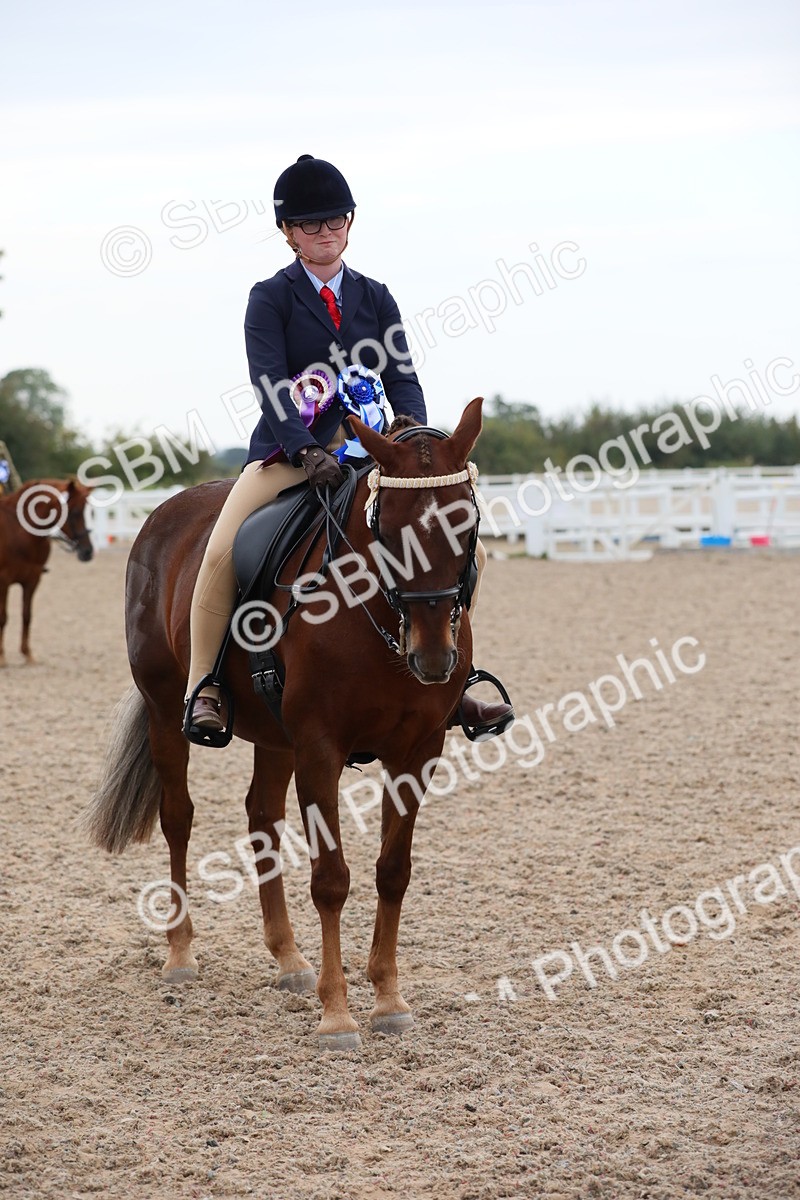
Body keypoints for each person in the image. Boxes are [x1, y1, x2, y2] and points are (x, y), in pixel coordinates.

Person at [185, 154, 512, 740]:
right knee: (219, 553)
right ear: (288, 233)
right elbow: (268, 380)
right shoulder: (270, 298)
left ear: (350, 222)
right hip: (292, 456)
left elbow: (402, 374)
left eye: (336, 221)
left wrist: (411, 430)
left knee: (470, 551)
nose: (326, 233)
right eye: (312, 226)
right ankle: (204, 685)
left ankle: (457, 681)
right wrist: (305, 450)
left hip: (373, 451)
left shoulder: (375, 295)